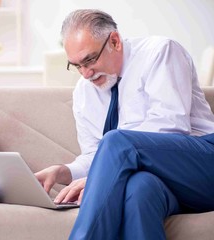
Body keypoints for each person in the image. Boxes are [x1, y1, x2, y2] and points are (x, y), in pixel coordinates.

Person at [35, 9, 214, 240]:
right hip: (167, 185)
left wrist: (105, 176)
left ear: (115, 41)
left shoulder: (160, 52)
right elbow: (96, 155)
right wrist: (64, 171)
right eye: (77, 65)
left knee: (116, 140)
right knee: (139, 189)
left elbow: (171, 126)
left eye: (90, 59)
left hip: (203, 165)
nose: (86, 73)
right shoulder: (84, 92)